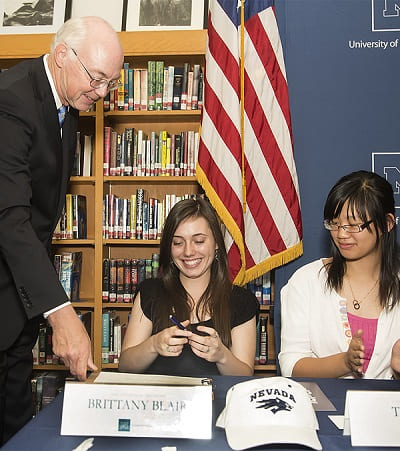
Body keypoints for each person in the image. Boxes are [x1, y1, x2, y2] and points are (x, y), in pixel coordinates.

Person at [0, 16, 123, 443]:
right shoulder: (10, 100)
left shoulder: (67, 105)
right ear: (61, 55)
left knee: (14, 425)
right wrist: (60, 311)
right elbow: (10, 218)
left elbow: (40, 217)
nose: (103, 93)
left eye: (111, 83)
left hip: (18, 303)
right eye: (97, 78)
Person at [279, 170, 400, 379]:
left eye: (354, 225)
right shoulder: (307, 281)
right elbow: (291, 365)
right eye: (335, 224)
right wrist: (344, 362)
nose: (342, 234)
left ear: (387, 224)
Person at [118, 197, 259, 377]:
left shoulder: (241, 301)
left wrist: (222, 356)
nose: (188, 252)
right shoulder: (150, 292)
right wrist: (153, 345)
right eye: (178, 242)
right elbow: (125, 365)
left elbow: (245, 375)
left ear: (216, 243)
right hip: (160, 402)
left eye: (199, 241)